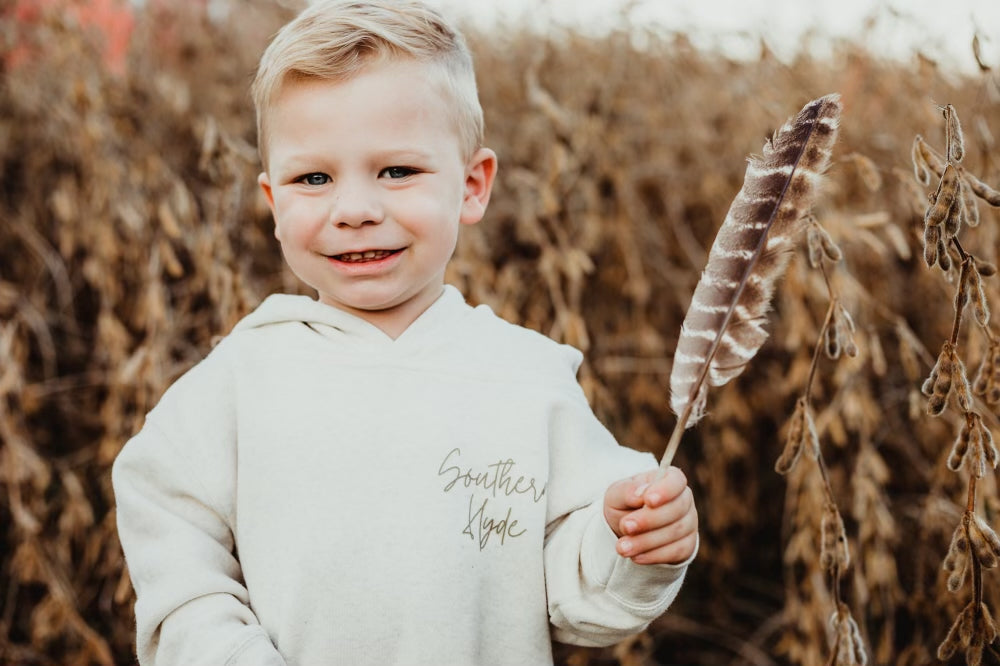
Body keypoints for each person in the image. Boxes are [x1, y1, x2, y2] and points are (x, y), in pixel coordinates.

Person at [112, 1, 699, 664]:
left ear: (472, 186)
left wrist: (631, 544)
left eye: (397, 171)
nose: (356, 210)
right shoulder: (243, 379)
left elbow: (582, 598)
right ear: (273, 203)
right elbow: (174, 548)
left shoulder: (526, 379)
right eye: (313, 178)